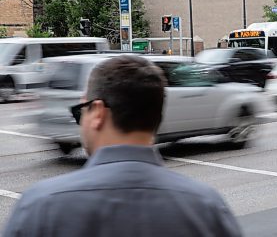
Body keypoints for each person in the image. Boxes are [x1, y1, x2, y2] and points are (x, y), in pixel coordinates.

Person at [3, 55, 242, 237]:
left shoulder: (40, 206)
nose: (79, 122)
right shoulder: (206, 208)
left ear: (97, 113)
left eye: (79, 111)